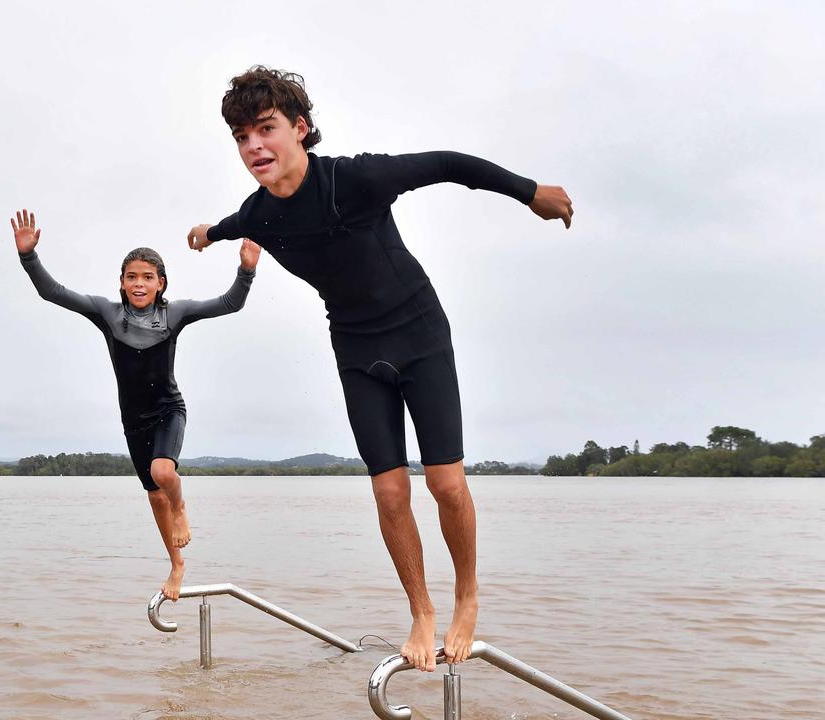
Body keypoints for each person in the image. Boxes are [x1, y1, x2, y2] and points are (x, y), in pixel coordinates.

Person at [185, 67, 573, 671]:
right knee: (390, 490)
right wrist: (206, 234)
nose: (253, 146)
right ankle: (421, 611)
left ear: (300, 129)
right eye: (241, 137)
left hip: (419, 332)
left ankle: (466, 597)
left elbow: (447, 163)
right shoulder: (258, 214)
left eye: (265, 129)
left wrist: (530, 192)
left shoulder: (355, 178)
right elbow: (232, 224)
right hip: (357, 350)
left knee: (445, 482)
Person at [13, 209, 261, 600]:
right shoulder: (107, 314)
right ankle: (177, 565)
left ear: (161, 283)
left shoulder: (174, 313)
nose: (140, 283)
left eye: (148, 277)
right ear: (123, 284)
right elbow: (54, 292)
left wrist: (245, 271)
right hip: (134, 422)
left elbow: (230, 303)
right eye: (132, 277)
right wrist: (30, 257)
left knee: (164, 472)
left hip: (168, 410)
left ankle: (182, 509)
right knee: (153, 495)